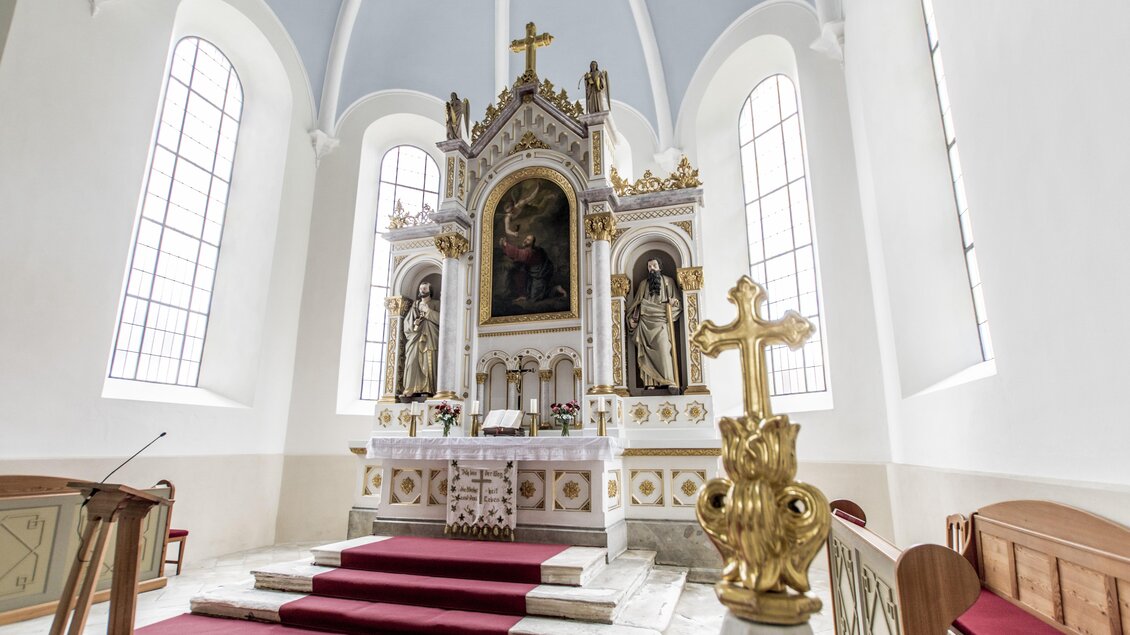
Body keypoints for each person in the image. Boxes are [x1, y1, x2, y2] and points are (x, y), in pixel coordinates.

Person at [626, 258, 681, 388]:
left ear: (660, 267)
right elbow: (636, 304)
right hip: (645, 323)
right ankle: (650, 382)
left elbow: (677, 302)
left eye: (654, 265)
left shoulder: (668, 281)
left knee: (663, 349)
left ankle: (669, 381)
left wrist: (674, 302)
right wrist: (633, 318)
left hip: (661, 321)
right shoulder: (643, 284)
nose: (652, 268)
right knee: (646, 353)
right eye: (649, 266)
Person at [498, 234, 566, 303]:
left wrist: (505, 244)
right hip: (532, 273)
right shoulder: (528, 250)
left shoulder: (531, 253)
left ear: (532, 243)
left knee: (535, 298)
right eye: (526, 238)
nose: (525, 240)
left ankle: (555, 289)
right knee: (519, 274)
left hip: (540, 275)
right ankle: (524, 295)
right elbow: (519, 255)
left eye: (528, 240)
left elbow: (518, 254)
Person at [402, 282, 439, 396]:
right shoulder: (415, 304)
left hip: (430, 337)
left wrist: (428, 311)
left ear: (430, 291)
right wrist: (414, 323)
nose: (422, 291)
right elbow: (407, 322)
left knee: (428, 362)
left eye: (424, 289)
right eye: (420, 289)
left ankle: (428, 389)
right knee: (411, 361)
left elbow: (442, 319)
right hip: (416, 336)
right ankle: (411, 388)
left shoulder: (436, 303)